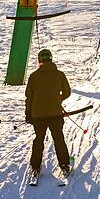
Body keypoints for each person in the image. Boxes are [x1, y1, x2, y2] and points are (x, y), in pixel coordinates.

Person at [25, 49, 72, 180]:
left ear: (40, 60)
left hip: (38, 115)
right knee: (58, 138)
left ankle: (35, 166)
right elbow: (67, 92)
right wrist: (58, 99)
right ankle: (64, 164)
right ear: (51, 59)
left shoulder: (34, 76)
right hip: (55, 114)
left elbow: (29, 97)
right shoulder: (59, 74)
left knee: (38, 140)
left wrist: (28, 113)